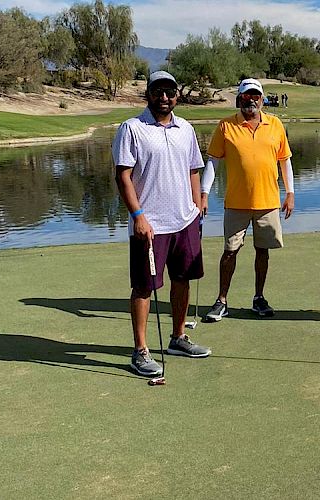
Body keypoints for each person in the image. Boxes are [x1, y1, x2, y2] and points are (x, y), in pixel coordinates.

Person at [113, 70, 211, 377]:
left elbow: (194, 169)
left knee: (183, 279)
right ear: (148, 95)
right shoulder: (132, 129)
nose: (164, 97)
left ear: (177, 96)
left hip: (183, 220)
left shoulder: (186, 128)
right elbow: (123, 176)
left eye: (169, 92)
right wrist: (138, 216)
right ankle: (140, 351)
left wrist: (196, 207)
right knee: (144, 287)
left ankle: (177, 337)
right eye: (158, 92)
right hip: (150, 224)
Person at [203, 78, 295, 322]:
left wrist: (291, 193)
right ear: (239, 99)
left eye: (255, 96)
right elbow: (213, 161)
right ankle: (222, 300)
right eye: (246, 96)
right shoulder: (226, 126)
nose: (251, 100)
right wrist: (203, 193)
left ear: (262, 99)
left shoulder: (275, 124)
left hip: (268, 202)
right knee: (230, 251)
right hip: (236, 202)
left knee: (262, 251)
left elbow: (285, 160)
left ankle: (259, 298)